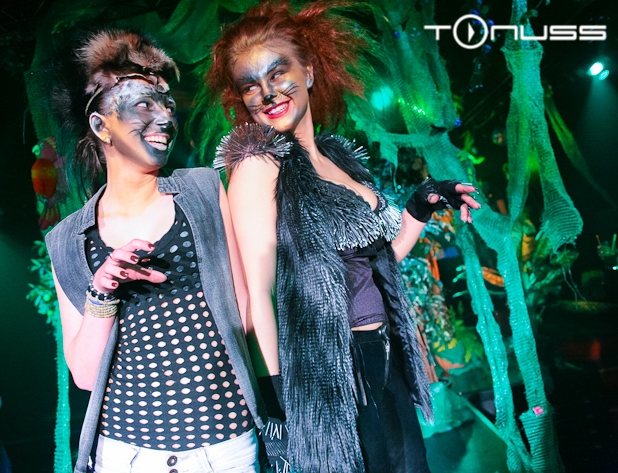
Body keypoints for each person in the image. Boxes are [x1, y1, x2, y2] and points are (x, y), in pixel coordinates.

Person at [206, 2, 480, 473]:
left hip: (384, 359)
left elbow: (377, 263)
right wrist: (279, 409)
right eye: (251, 85)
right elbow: (257, 295)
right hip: (333, 374)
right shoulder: (257, 165)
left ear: (309, 72)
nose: (268, 93)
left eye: (278, 73)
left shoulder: (338, 158)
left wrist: (421, 205)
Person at [45, 29, 266, 473]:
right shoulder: (69, 239)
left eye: (166, 104)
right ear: (100, 125)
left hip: (224, 448)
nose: (165, 116)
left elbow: (245, 312)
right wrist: (102, 290)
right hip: (127, 456)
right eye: (144, 104)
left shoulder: (203, 190)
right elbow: (85, 375)